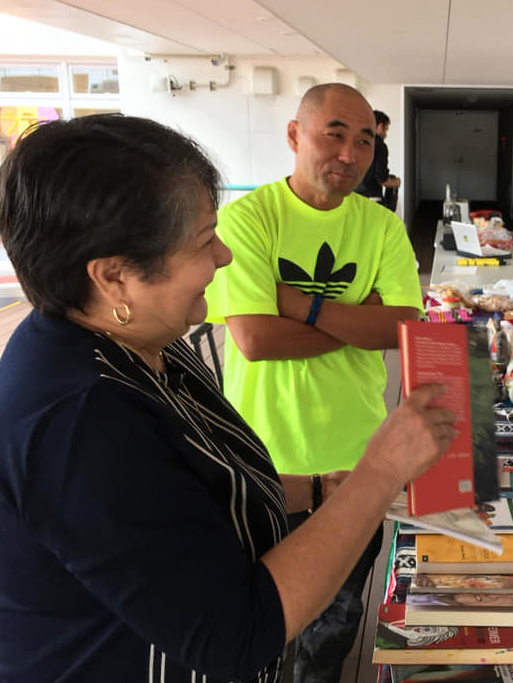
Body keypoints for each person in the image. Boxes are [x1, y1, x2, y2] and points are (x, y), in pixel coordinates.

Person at [0, 114, 457, 682]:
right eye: (203, 241)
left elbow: (190, 489)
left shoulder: (137, 342)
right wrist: (380, 471)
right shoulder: (81, 422)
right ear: (115, 277)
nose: (224, 256)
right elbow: (236, 634)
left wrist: (318, 489)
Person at [203, 82, 422, 682]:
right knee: (254, 621)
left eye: (365, 141)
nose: (350, 154)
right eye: (335, 134)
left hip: (356, 462)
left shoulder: (381, 226)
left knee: (336, 622)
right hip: (264, 463)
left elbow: (402, 327)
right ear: (295, 135)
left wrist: (302, 306)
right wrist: (360, 321)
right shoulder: (248, 220)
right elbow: (255, 339)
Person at [354, 109, 401, 210]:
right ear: (380, 126)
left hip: (354, 198)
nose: (386, 135)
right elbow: (383, 179)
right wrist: (397, 182)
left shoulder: (357, 142)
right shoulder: (379, 145)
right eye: (386, 130)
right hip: (372, 199)